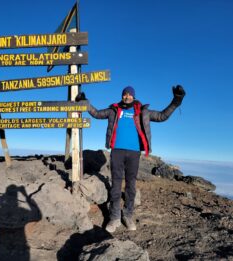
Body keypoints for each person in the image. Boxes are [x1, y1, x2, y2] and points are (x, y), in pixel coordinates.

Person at [76, 85, 186, 233]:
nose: (126, 96)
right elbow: (96, 113)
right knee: (115, 185)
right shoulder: (114, 110)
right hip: (117, 152)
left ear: (133, 96)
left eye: (129, 94)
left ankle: (127, 215)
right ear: (122, 96)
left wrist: (176, 101)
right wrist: (85, 102)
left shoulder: (142, 112)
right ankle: (114, 217)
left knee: (130, 186)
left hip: (134, 153)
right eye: (124, 94)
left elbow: (162, 116)